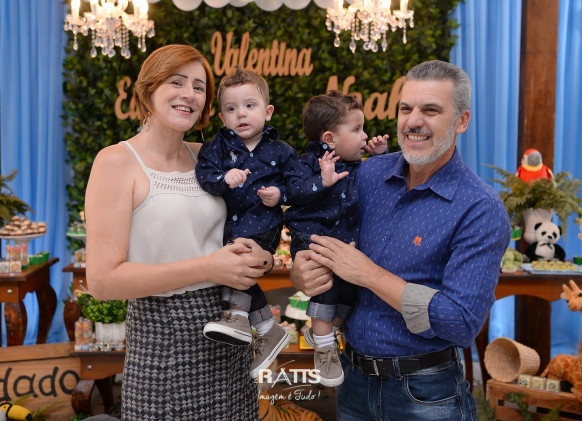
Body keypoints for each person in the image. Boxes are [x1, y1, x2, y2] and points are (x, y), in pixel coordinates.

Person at [290, 60, 511, 420]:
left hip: (428, 394)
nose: (413, 121)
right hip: (352, 382)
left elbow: (460, 323)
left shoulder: (480, 208)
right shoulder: (367, 174)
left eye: (431, 110)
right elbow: (319, 229)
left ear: (461, 121)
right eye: (406, 108)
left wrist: (368, 274)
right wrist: (301, 272)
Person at [85, 45, 272, 420]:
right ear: (148, 90)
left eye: (199, 87)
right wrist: (209, 268)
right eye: (176, 82)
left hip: (229, 328)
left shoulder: (210, 157)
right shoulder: (117, 161)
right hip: (163, 340)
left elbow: (251, 221)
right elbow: (103, 281)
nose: (189, 94)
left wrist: (262, 258)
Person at [195, 66, 296, 378]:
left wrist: (280, 195)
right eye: (231, 108)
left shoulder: (281, 151)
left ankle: (237, 317)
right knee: (236, 269)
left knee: (240, 261)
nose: (241, 114)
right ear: (222, 117)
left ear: (267, 111)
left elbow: (298, 186)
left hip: (263, 223)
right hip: (228, 225)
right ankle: (268, 329)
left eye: (249, 105)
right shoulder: (217, 147)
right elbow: (204, 174)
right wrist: (223, 178)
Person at [284, 90, 388, 387]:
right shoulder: (306, 163)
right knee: (325, 286)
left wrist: (379, 157)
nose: (364, 136)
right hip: (314, 238)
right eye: (357, 129)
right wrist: (322, 181)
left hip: (345, 242)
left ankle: (325, 332)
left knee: (348, 291)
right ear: (329, 139)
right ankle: (324, 344)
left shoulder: (355, 166)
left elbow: (378, 182)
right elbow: (294, 192)